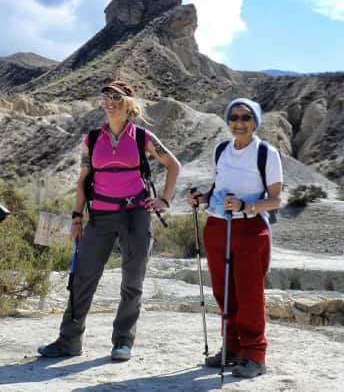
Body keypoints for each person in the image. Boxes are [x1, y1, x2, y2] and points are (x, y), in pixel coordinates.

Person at [38, 80, 181, 361]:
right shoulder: (91, 140)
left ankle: (123, 342)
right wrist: (77, 218)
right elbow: (82, 182)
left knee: (132, 280)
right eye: (105, 96)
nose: (109, 102)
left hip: (135, 216)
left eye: (115, 97)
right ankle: (69, 341)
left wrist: (165, 199)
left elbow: (173, 165)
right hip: (100, 216)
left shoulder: (143, 137)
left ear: (127, 103)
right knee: (82, 279)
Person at [186, 98, 282, 378]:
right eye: (234, 117)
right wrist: (200, 199)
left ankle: (255, 356)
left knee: (249, 295)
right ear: (228, 121)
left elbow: (276, 200)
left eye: (246, 117)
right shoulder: (221, 151)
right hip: (217, 228)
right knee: (223, 293)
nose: (239, 123)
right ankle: (232, 349)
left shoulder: (266, 153)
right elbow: (217, 191)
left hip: (250, 231)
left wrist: (246, 206)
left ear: (255, 122)